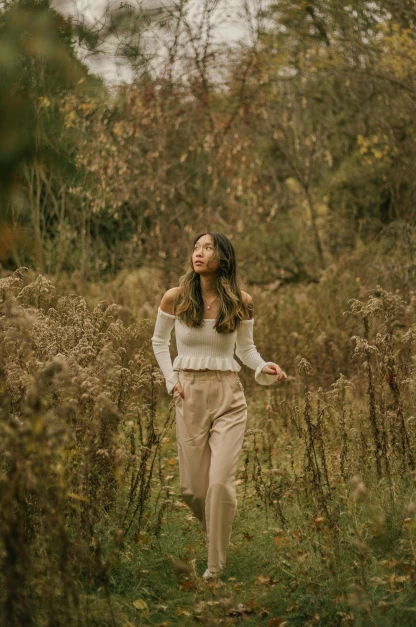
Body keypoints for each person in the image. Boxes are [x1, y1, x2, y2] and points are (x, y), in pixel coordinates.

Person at [151, 231, 287, 581]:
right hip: (189, 395)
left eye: (207, 248)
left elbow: (245, 350)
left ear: (222, 257)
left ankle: (215, 568)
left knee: (220, 484)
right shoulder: (176, 298)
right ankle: (218, 523)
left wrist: (261, 367)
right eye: (196, 247)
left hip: (228, 396)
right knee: (193, 491)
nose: (199, 253)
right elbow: (159, 342)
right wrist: (171, 379)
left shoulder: (242, 301)